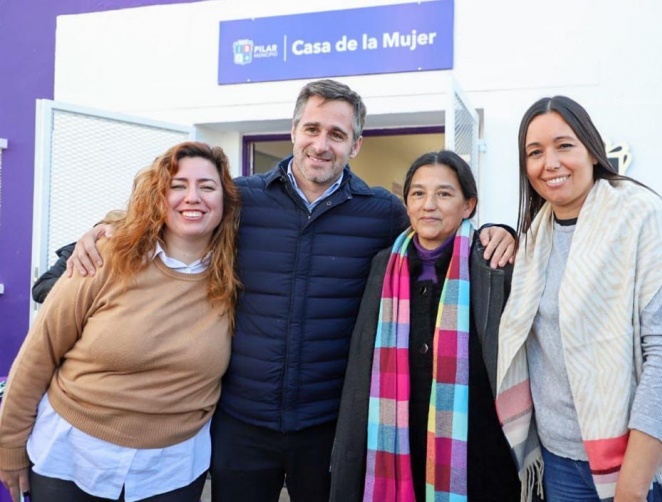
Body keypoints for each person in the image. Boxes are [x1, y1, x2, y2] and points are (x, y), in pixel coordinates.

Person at [66, 79, 516, 502]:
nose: (322, 144)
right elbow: (172, 217)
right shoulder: (241, 199)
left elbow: (433, 233)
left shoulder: (381, 213)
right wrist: (101, 230)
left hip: (327, 427)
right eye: (312, 129)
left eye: (337, 134)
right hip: (240, 424)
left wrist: (496, 231)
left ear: (355, 145)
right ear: (294, 131)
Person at [495, 96, 662, 502]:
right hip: (563, 461)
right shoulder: (534, 237)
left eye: (565, 145)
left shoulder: (644, 218)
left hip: (650, 462)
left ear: (592, 150)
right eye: (535, 152)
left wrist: (631, 488)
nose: (550, 163)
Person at [0, 141, 241, 502]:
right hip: (71, 458)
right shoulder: (105, 258)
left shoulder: (236, 277)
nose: (193, 197)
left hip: (170, 471)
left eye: (207, 187)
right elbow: (39, 353)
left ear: (225, 203)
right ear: (158, 197)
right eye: (177, 186)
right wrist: (9, 445)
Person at [330, 151, 520, 501]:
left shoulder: (494, 264)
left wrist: (509, 233)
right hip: (397, 442)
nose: (429, 204)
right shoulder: (383, 265)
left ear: (469, 205)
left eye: (444, 193)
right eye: (418, 193)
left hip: (474, 450)